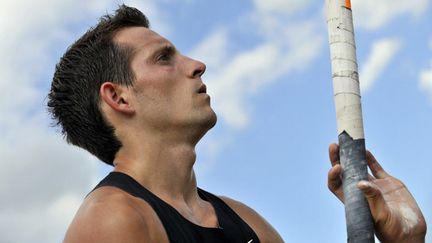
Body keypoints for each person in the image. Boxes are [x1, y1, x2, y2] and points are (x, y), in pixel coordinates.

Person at [47, 5, 426, 243]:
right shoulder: (113, 223)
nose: (197, 64)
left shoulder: (246, 222)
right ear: (119, 98)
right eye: (164, 58)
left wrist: (404, 242)